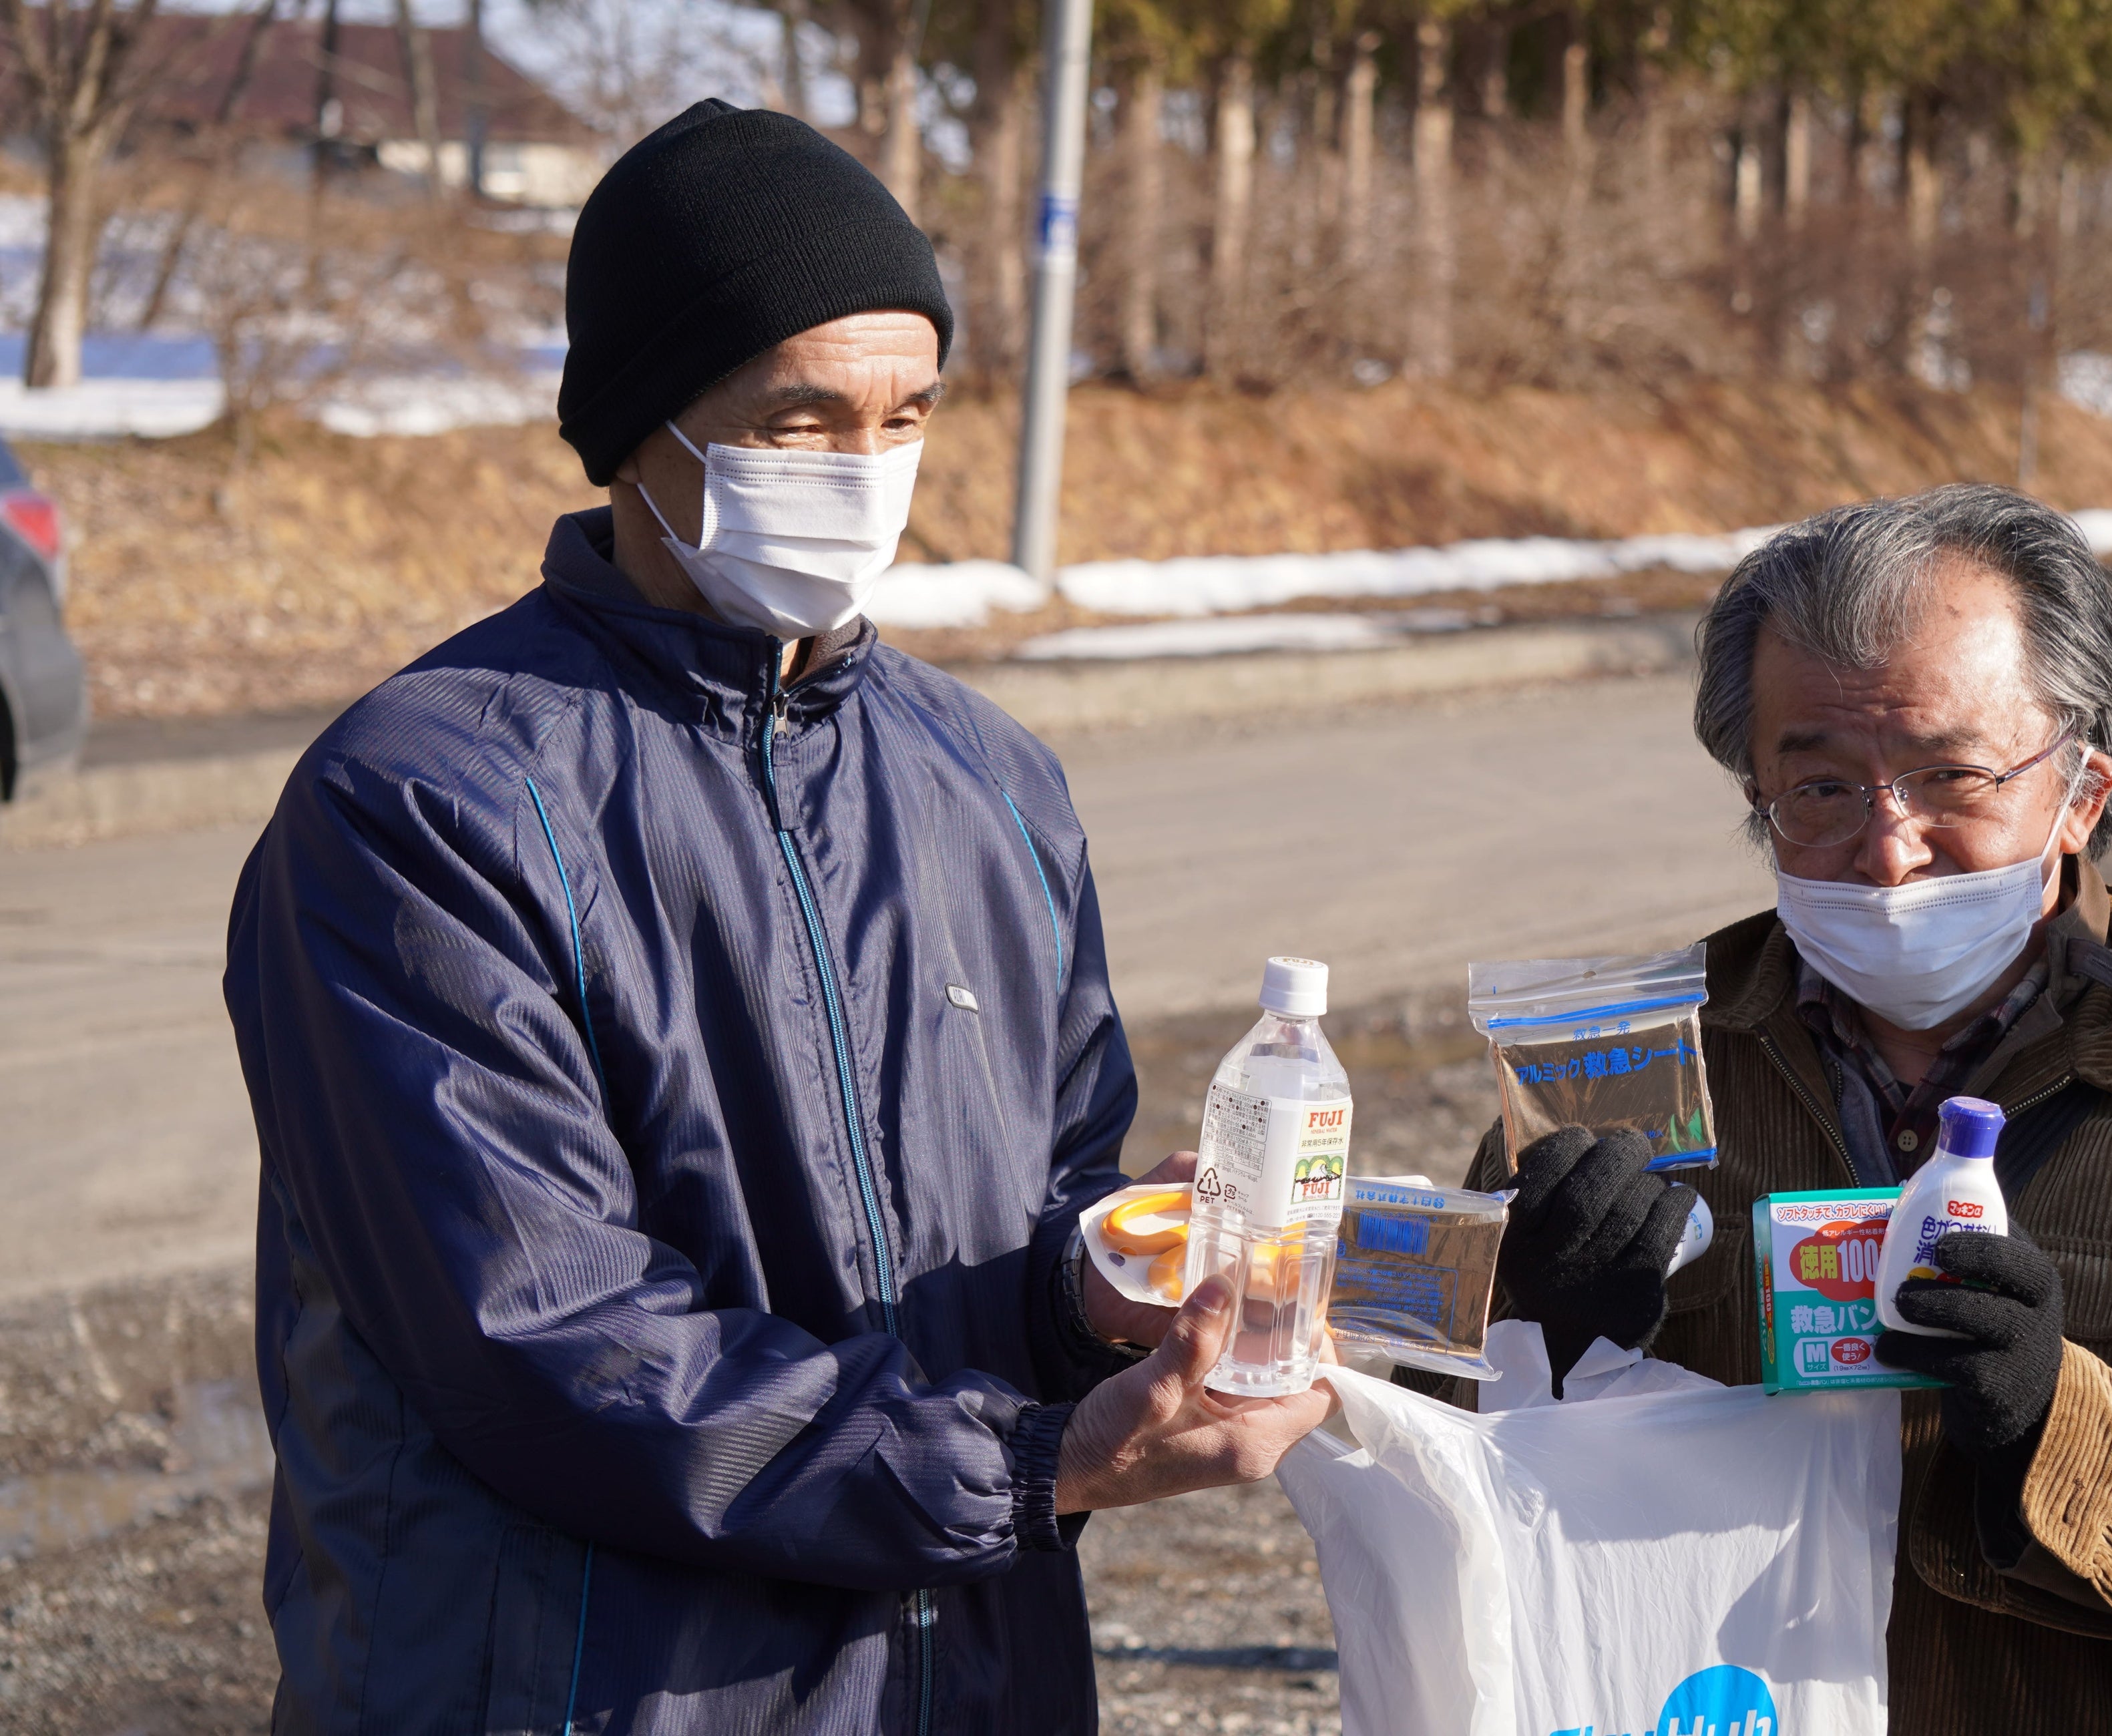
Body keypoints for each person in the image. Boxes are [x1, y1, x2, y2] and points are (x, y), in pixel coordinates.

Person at [223, 100, 1328, 1735]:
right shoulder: (423, 802)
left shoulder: (987, 780)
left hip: (960, 1680)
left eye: (907, 415)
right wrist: (1038, 1461)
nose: (866, 471)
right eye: (799, 421)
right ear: (638, 430)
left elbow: (1030, 1203)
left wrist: (1099, 1284)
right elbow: (556, 1347)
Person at [1475, 484, 2112, 1732]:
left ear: (2078, 791)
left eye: (1950, 775)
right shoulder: (1609, 1075)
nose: (1889, 849)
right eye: (1822, 789)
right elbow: (1409, 1489)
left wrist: (2058, 1436)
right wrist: (1540, 1343)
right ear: (1757, 793)